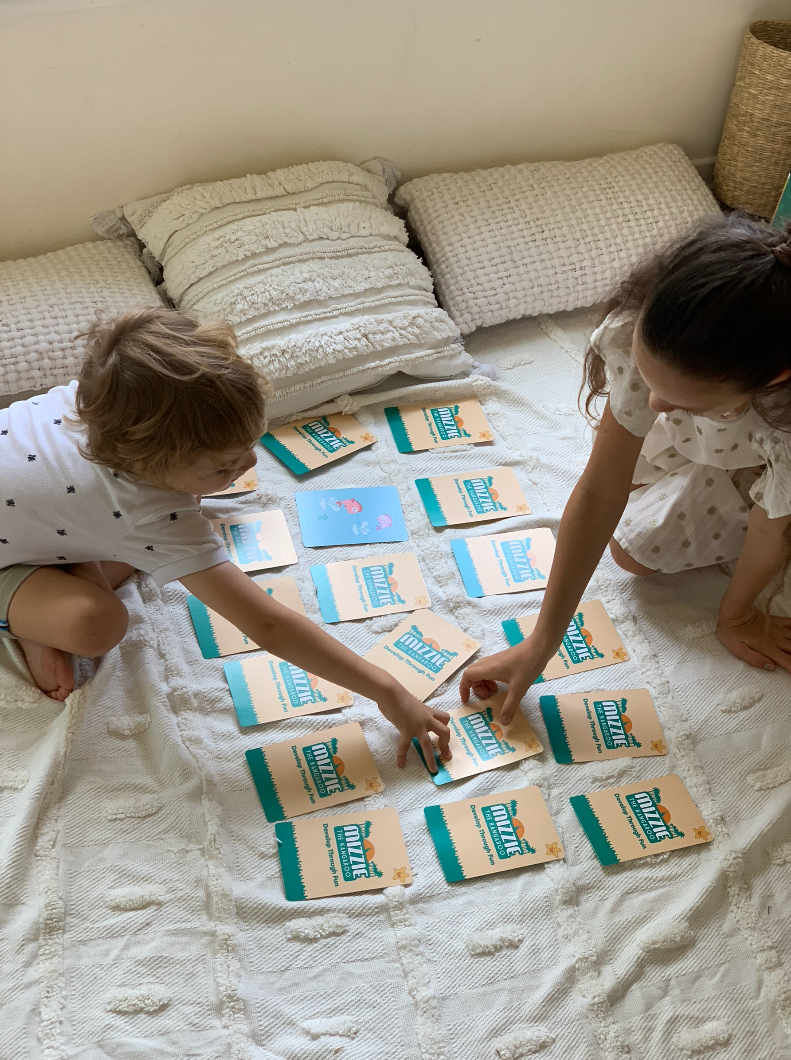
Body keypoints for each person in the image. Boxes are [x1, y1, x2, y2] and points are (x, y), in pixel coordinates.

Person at [0, 307, 450, 770]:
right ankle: (21, 621)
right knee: (96, 625)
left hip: (35, 520)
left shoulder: (103, 401)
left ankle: (57, 577)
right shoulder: (150, 514)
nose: (249, 467)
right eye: (223, 466)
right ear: (148, 463)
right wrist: (389, 690)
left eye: (248, 447)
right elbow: (268, 625)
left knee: (143, 547)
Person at [461, 213, 791, 722]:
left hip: (767, 453)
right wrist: (542, 640)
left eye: (687, 402)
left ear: (772, 381)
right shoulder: (643, 334)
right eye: (645, 376)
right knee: (634, 548)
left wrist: (738, 615)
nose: (653, 404)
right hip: (732, 441)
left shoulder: (782, 427)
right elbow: (599, 489)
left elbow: (772, 532)